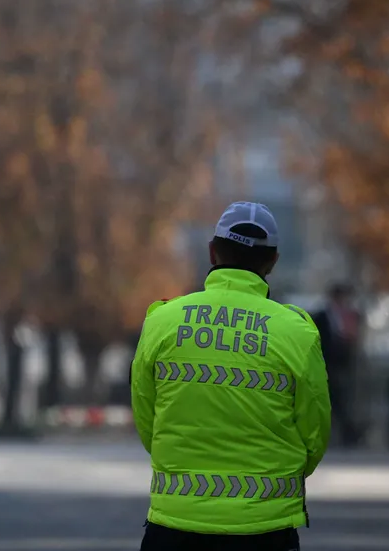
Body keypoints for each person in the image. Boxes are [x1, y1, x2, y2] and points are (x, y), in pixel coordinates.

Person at [131, 201, 331, 551]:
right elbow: (314, 431)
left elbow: (147, 418)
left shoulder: (162, 322)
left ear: (212, 252)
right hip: (265, 528)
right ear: (272, 260)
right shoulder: (296, 332)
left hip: (174, 525)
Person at [312, 283, 363, 447]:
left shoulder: (349, 316)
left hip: (342, 366)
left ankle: (348, 434)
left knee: (340, 400)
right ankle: (347, 433)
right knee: (333, 400)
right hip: (325, 364)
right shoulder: (321, 316)